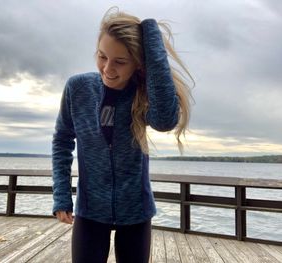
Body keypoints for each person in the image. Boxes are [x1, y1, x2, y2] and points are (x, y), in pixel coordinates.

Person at [52, 7, 192, 263]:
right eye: (102, 56)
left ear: (138, 63)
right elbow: (62, 141)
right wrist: (62, 195)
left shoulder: (143, 94)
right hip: (90, 209)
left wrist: (151, 35)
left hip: (136, 211)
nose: (107, 68)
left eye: (120, 61)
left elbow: (165, 121)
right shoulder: (77, 88)